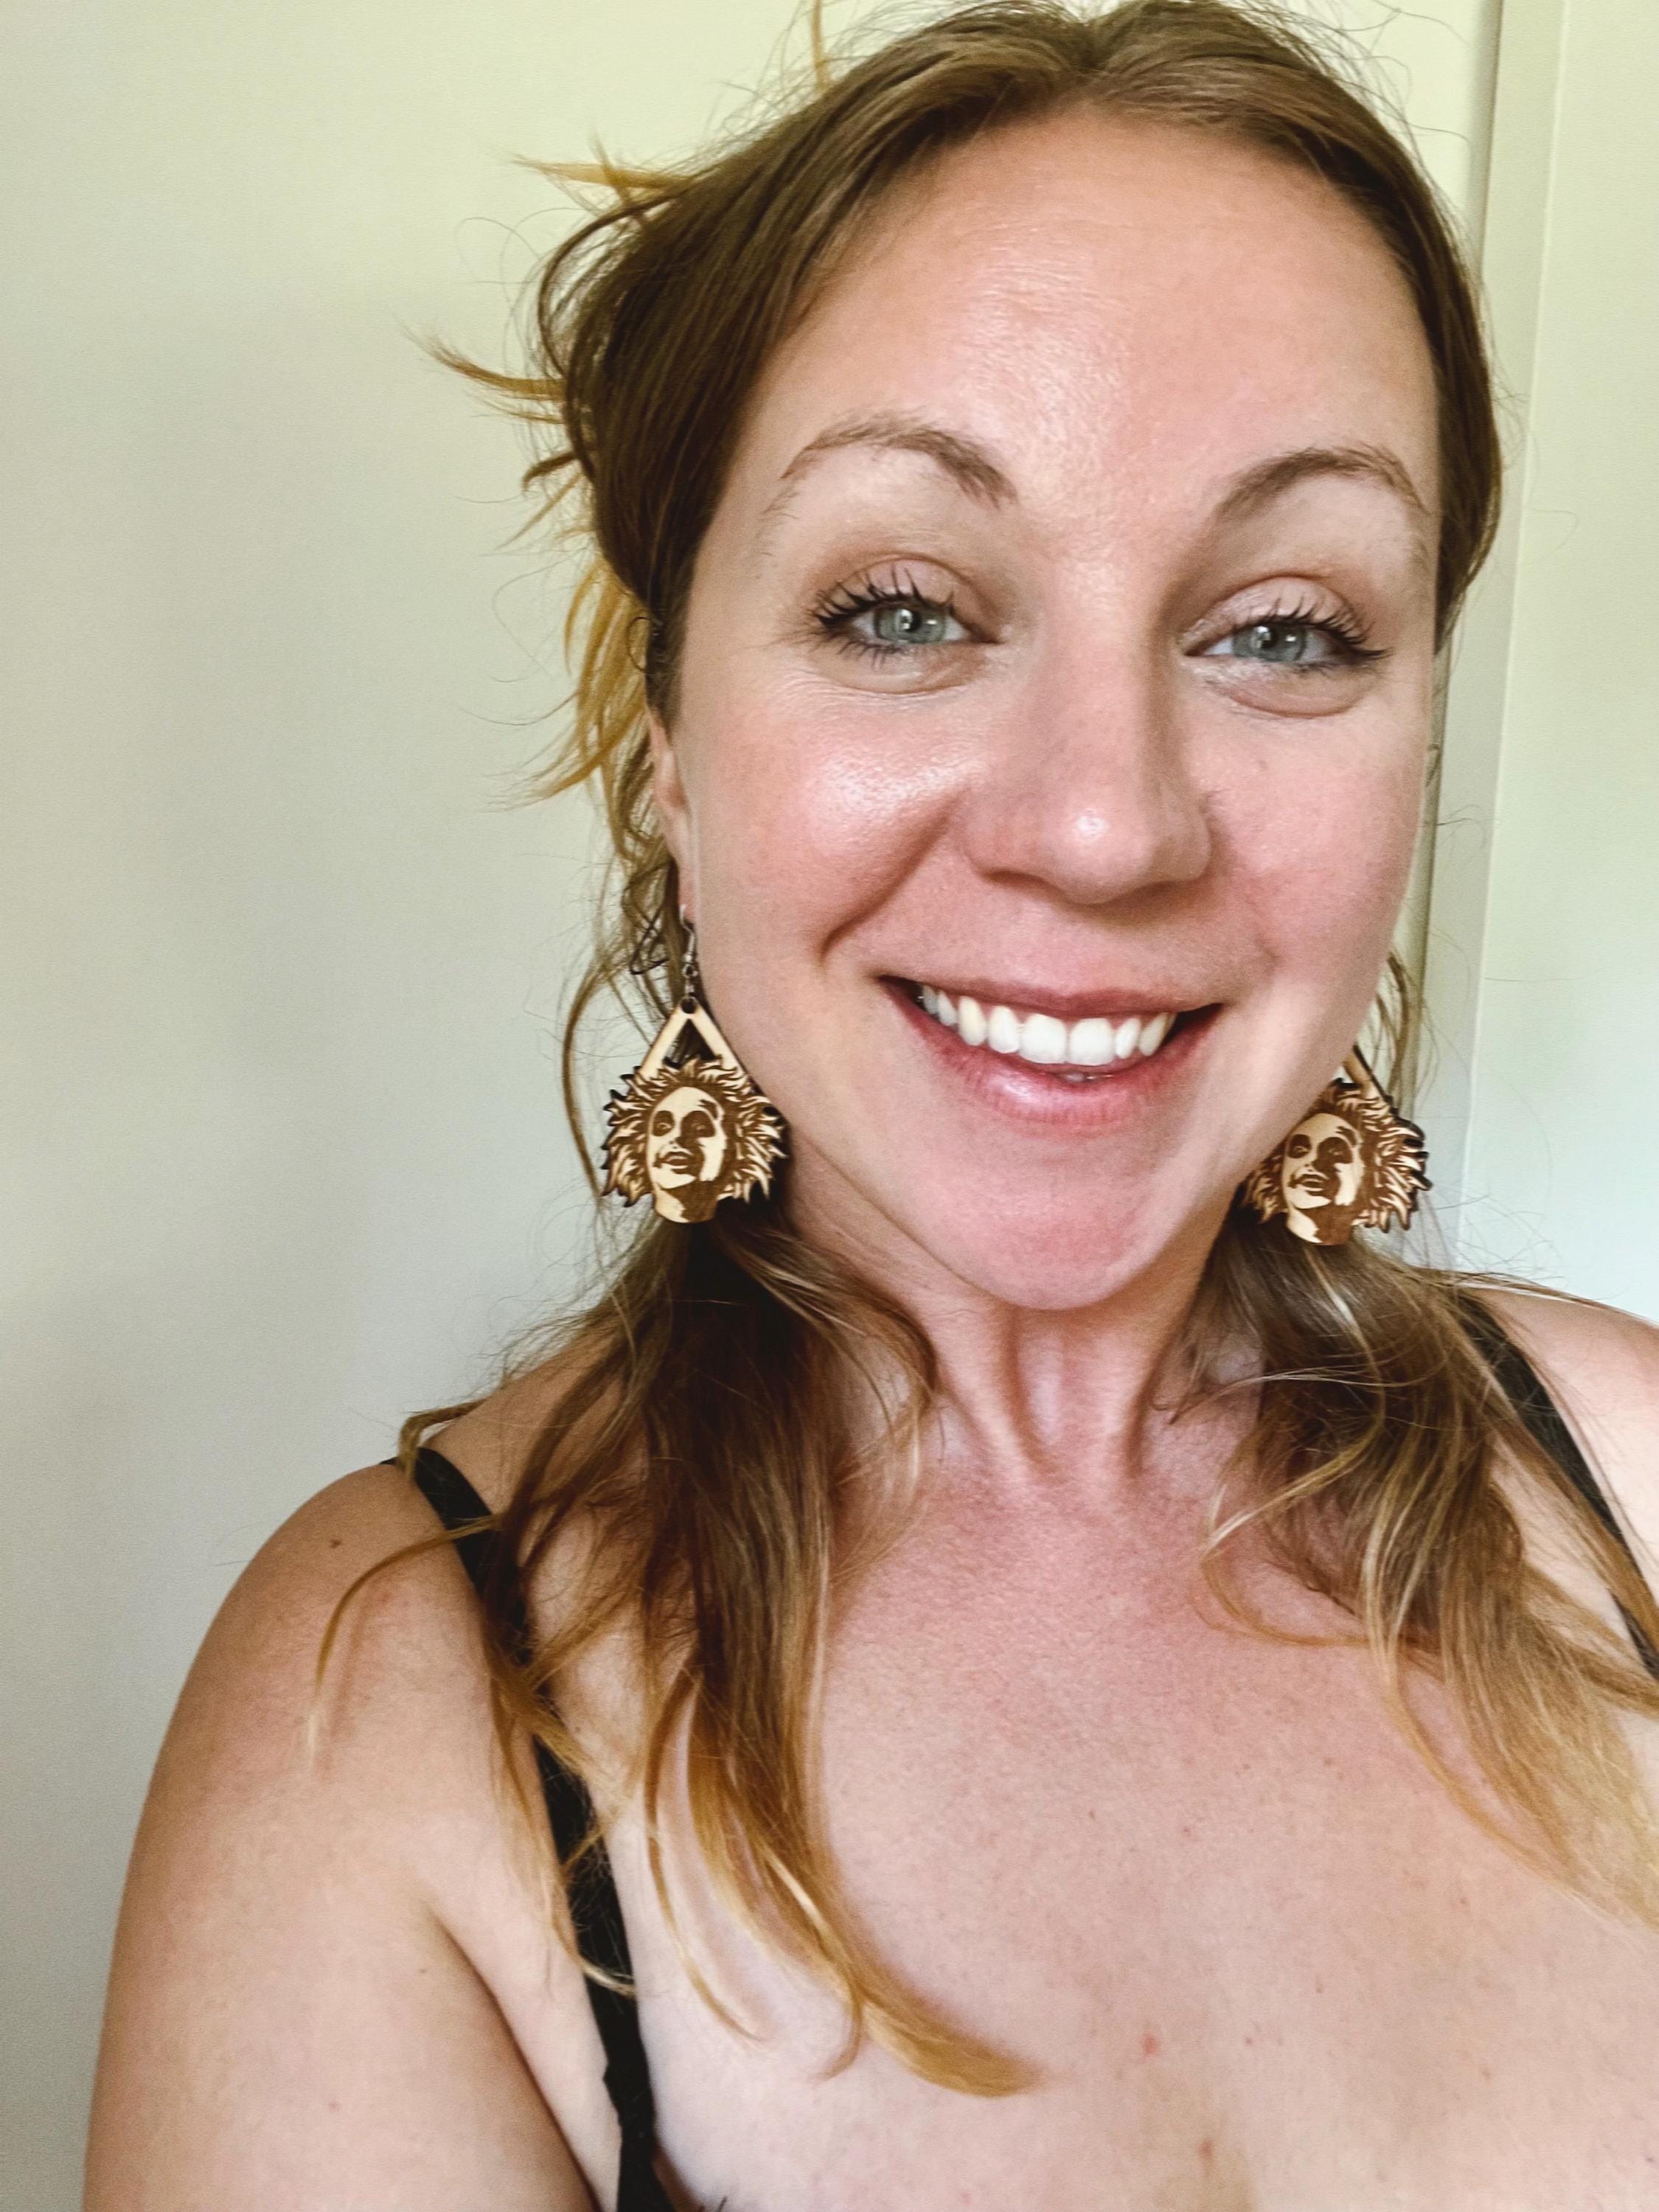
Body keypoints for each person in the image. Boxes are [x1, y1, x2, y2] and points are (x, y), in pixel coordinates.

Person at [86, 4, 1659, 2208]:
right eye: (904, 609)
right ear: (665, 742)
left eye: (1286, 630)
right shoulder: (396, 1723)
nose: (1104, 827)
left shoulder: (1633, 1492)